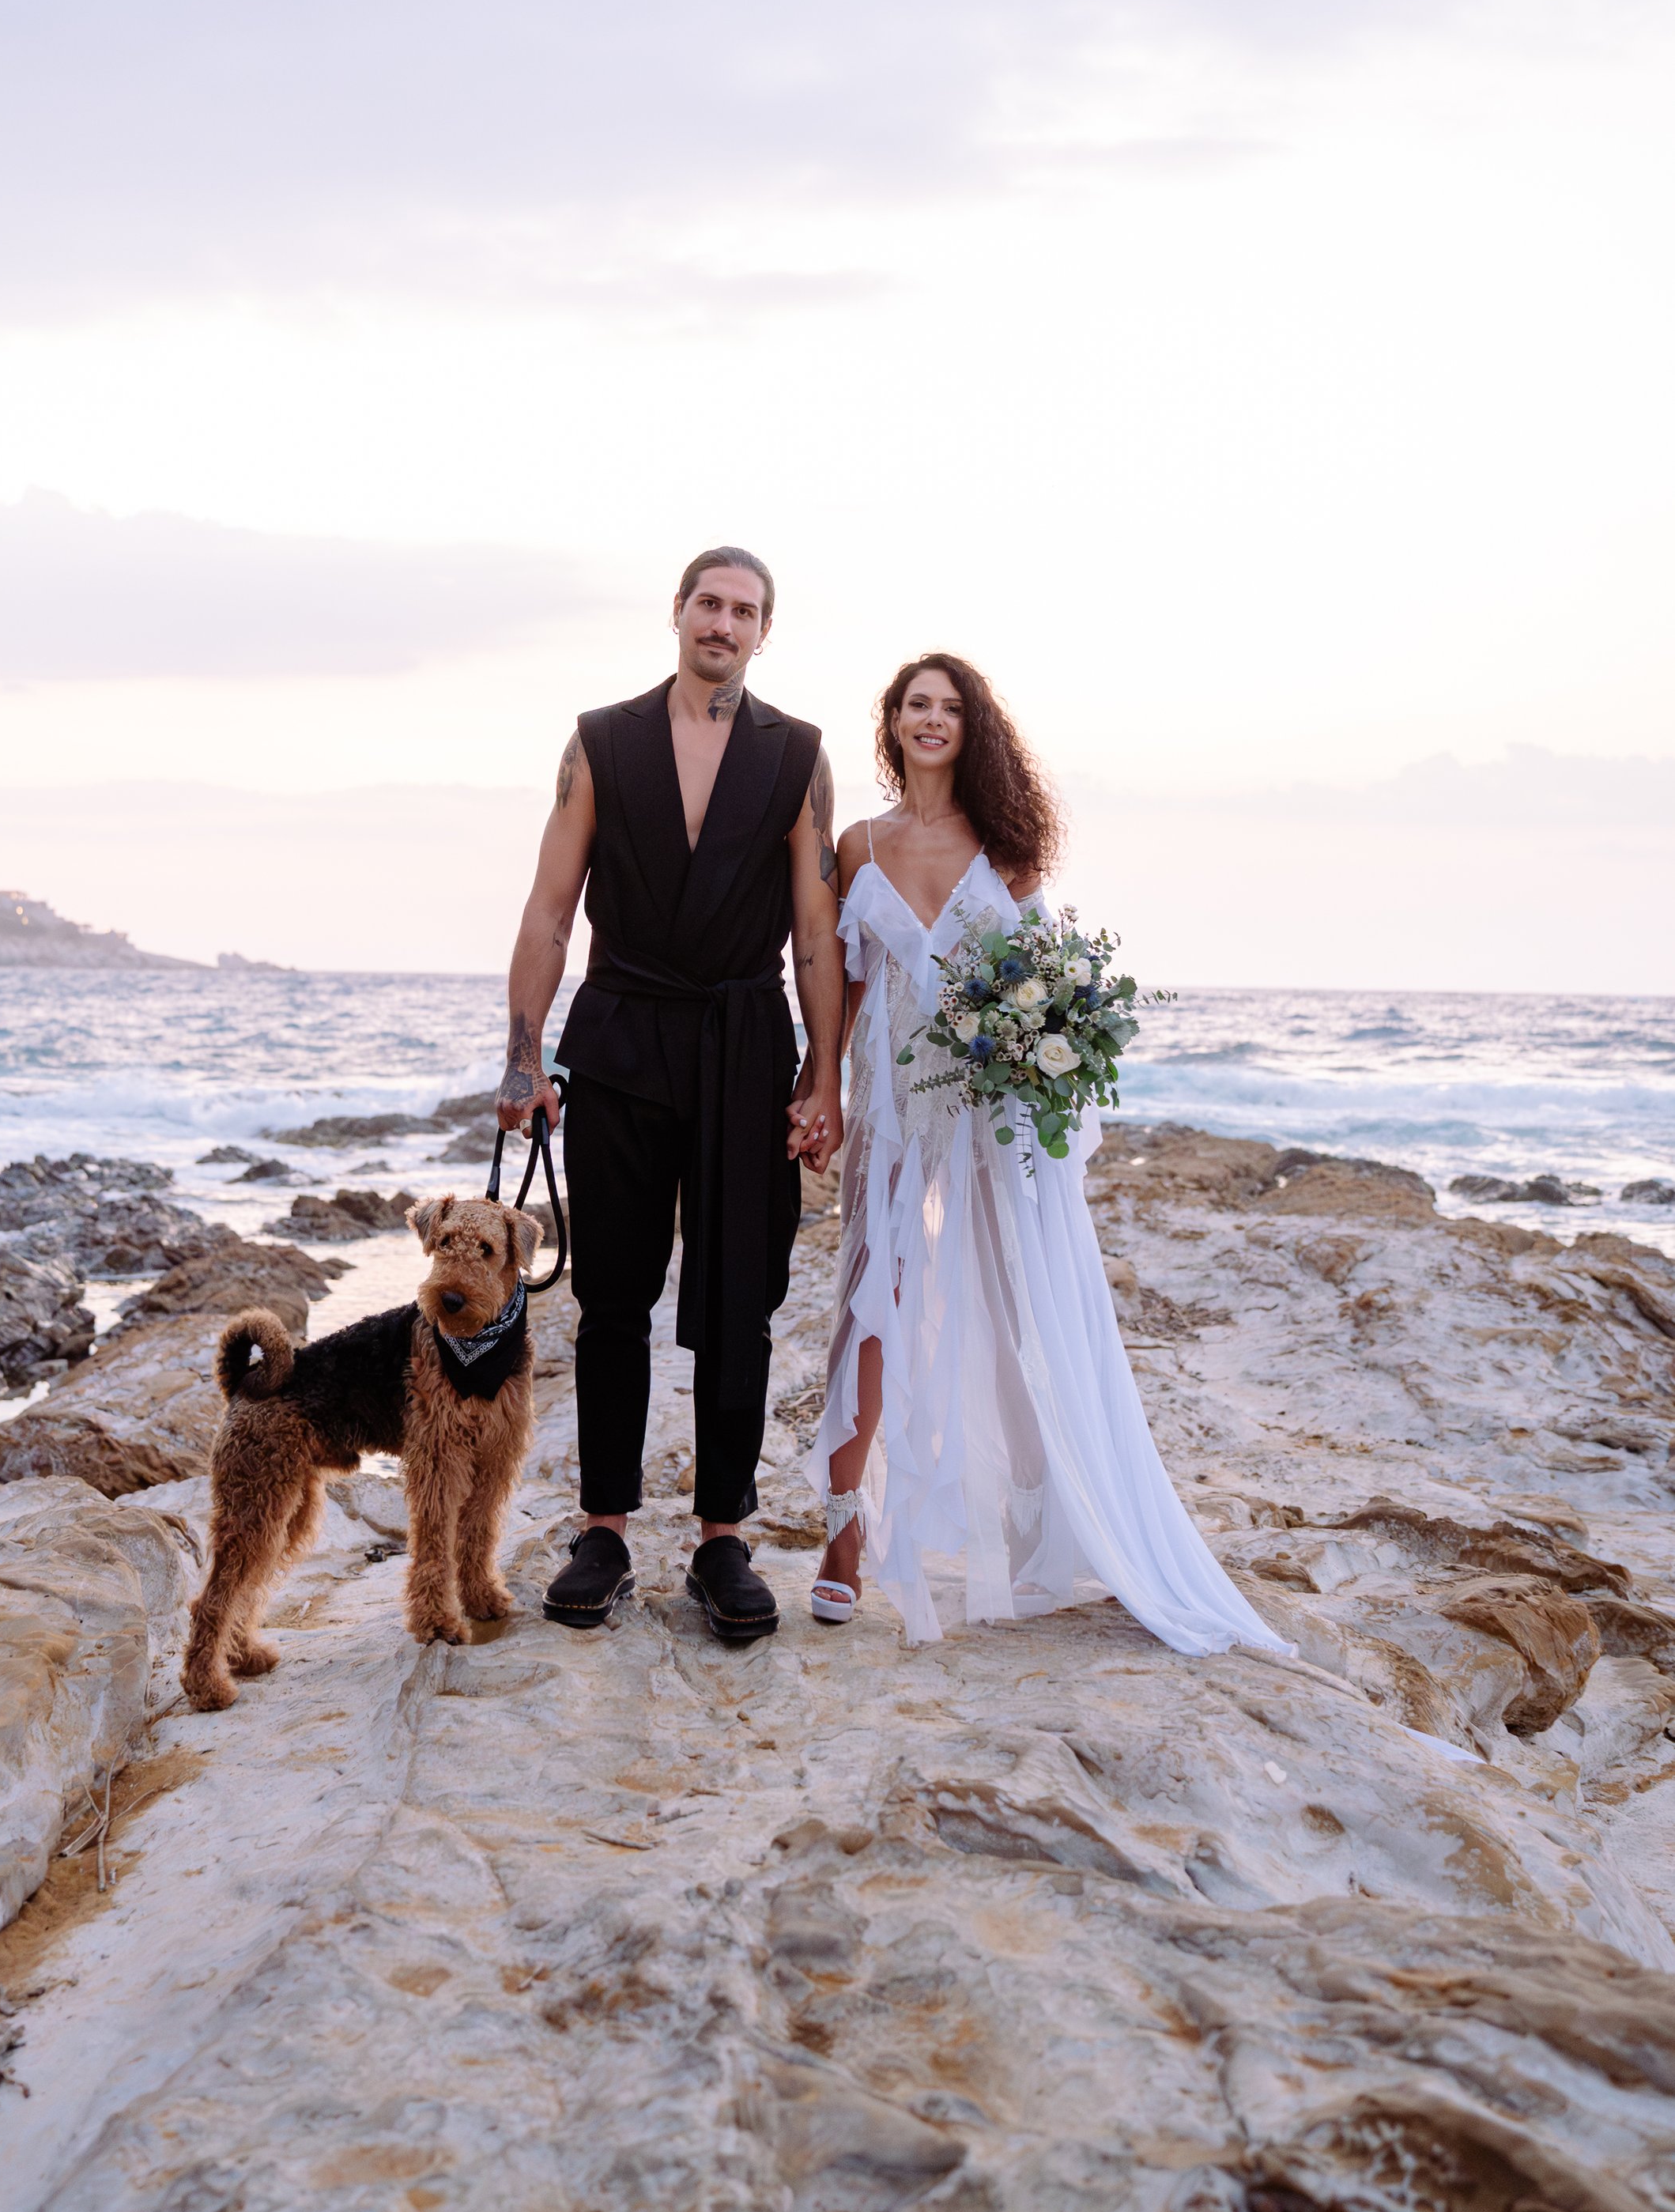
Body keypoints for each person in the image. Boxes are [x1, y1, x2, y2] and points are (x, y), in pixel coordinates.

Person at [806, 653, 1292, 1658]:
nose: (930, 721)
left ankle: (1038, 1516)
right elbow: (843, 993)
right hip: (895, 1108)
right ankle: (844, 1536)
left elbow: (1033, 982)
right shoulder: (853, 846)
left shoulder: (1009, 851)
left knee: (1018, 1300)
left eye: (948, 708)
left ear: (971, 728)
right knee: (870, 1303)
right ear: (889, 725)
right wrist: (827, 1096)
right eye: (914, 706)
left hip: (989, 1113)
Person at [498, 546, 844, 1641]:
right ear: (678, 612)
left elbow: (817, 930)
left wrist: (823, 1070)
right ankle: (603, 1528)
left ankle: (722, 1538)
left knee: (740, 1298)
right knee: (612, 1294)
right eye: (709, 602)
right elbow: (551, 908)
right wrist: (522, 1054)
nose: (724, 623)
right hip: (621, 1035)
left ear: (762, 632)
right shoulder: (602, 740)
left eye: (745, 610)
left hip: (745, 1044)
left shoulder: (798, 755)